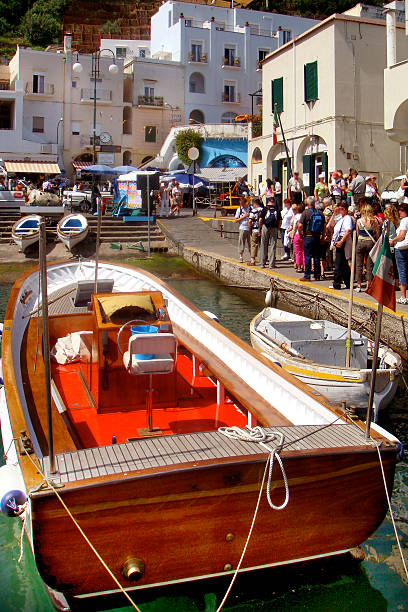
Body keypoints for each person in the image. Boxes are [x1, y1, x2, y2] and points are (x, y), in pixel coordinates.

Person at [297, 196, 325, 282]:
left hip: (308, 237)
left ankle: (307, 275)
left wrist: (300, 233)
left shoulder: (305, 213)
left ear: (308, 204)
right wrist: (323, 237)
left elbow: (300, 225)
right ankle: (317, 275)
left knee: (308, 256)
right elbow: (324, 226)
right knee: (316, 256)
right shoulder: (320, 213)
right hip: (317, 237)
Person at [355, 201, 380, 292]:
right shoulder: (374, 221)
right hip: (370, 243)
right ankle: (368, 285)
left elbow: (357, 234)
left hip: (361, 241)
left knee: (359, 264)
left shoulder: (359, 221)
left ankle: (359, 285)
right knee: (369, 265)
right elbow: (377, 234)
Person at [329, 202, 353, 290]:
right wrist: (334, 214)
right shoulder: (340, 218)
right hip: (337, 241)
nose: (340, 210)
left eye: (341, 209)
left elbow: (348, 231)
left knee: (338, 263)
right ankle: (348, 282)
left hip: (343, 242)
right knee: (344, 264)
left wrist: (342, 241)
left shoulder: (347, 218)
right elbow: (329, 226)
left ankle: (337, 282)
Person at [390, 203, 408, 304]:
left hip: (401, 248)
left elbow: (402, 235)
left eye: (400, 211)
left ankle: (403, 296)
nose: (399, 213)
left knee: (402, 271)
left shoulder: (405, 220)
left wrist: (393, 240)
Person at [259, 196, 281, 268]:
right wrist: (278, 228)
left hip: (265, 227)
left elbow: (260, 220)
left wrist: (260, 228)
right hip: (274, 227)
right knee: (273, 245)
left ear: (268, 202)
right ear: (273, 202)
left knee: (263, 245)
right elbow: (280, 221)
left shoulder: (264, 209)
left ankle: (262, 263)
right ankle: (271, 264)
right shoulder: (277, 210)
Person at [384, 204, 400, 289]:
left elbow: (384, 234)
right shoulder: (398, 221)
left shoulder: (387, 222)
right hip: (395, 244)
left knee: (388, 264)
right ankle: (397, 283)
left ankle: (390, 283)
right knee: (395, 264)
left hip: (388, 244)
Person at [235, 196, 251, 263]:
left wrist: (249, 215)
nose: (242, 206)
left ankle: (252, 257)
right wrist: (243, 217)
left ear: (245, 203)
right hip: (242, 227)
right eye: (240, 204)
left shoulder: (250, 208)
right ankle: (241, 256)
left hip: (250, 228)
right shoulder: (239, 209)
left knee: (251, 243)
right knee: (241, 242)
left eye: (242, 204)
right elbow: (236, 220)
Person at [290, 203, 304, 273]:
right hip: (304, 235)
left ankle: (299, 267)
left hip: (297, 235)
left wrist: (292, 236)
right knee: (303, 251)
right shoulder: (304, 216)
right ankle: (304, 266)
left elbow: (295, 227)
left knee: (297, 252)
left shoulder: (296, 217)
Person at [248, 198, 263, 265]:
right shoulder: (263, 210)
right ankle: (263, 259)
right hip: (263, 230)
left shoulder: (253, 211)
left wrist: (249, 229)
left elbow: (250, 221)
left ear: (255, 203)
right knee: (262, 245)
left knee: (253, 244)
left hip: (255, 229)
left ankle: (253, 260)